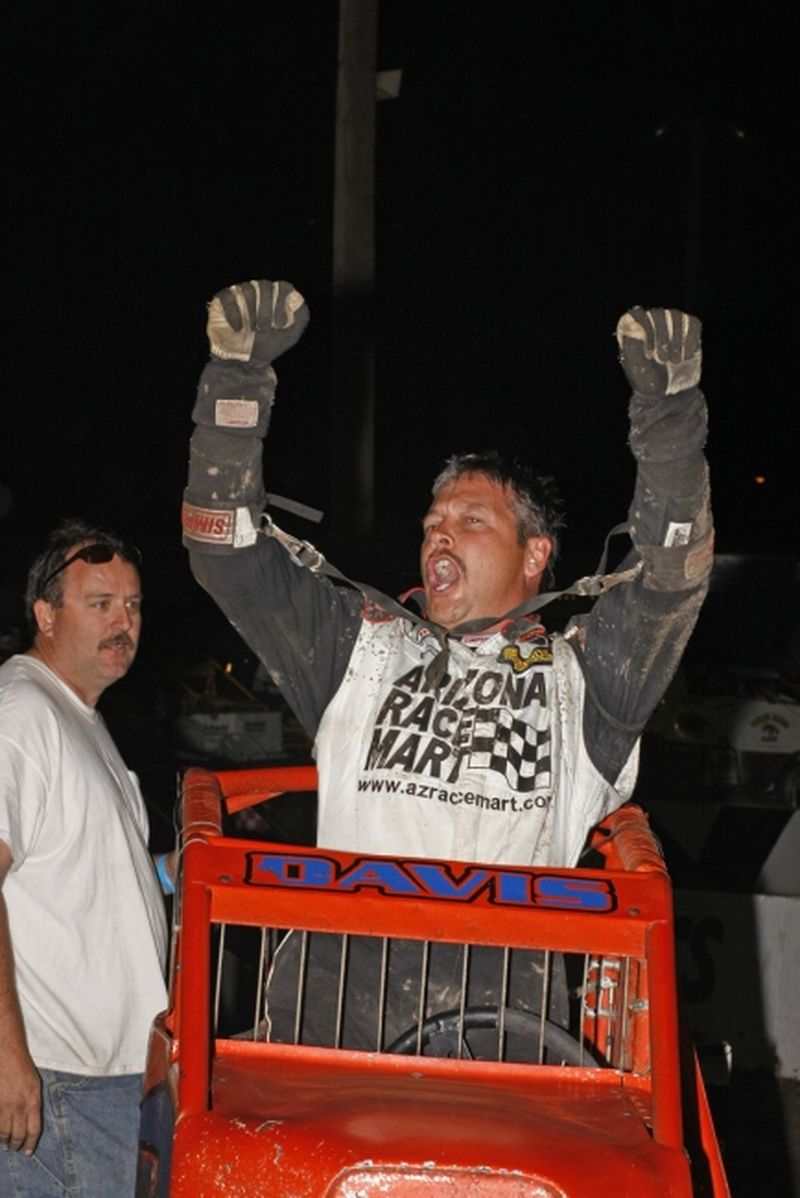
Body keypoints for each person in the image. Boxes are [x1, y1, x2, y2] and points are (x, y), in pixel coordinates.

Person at [182, 280, 713, 872]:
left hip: (509, 965)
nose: (439, 532)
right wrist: (236, 381)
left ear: (534, 554)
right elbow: (225, 552)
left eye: (471, 519)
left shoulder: (588, 677)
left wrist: (668, 414)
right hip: (347, 964)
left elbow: (673, 575)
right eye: (433, 520)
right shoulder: (356, 649)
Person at [0, 520, 172, 1196]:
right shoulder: (21, 714)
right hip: (59, 1081)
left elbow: (83, 880)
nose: (123, 622)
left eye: (132, 605)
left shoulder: (78, 717)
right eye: (99, 604)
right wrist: (9, 1057)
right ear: (45, 614)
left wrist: (166, 872)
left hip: (113, 1077)